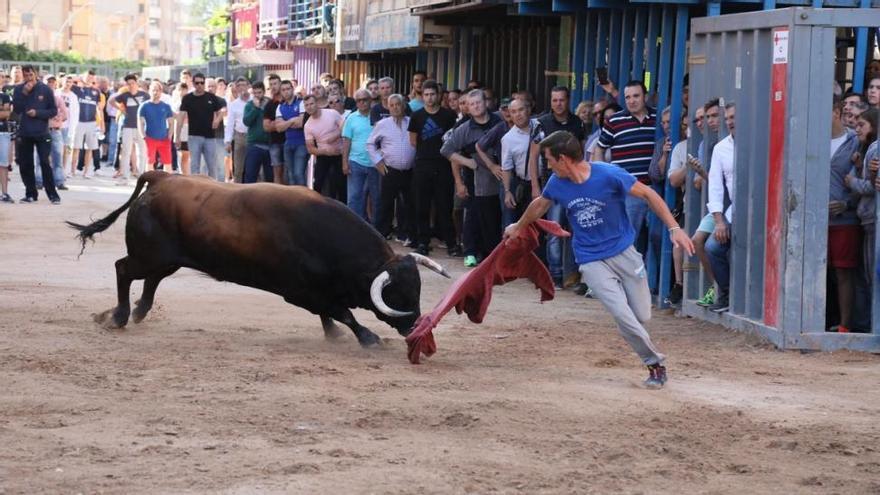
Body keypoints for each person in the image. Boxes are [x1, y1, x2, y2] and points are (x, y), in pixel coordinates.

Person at [504, 130, 693, 388]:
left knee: (641, 315)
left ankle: (635, 327)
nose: (547, 166)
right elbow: (540, 205)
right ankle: (654, 364)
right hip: (590, 258)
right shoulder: (556, 183)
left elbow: (649, 194)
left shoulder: (608, 174)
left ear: (563, 159)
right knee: (620, 313)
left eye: (549, 160)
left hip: (624, 253)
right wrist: (518, 226)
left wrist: (674, 228)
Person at [441, 89, 505, 267]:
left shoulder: (500, 121)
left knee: (495, 216)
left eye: (479, 102)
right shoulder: (464, 129)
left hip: (501, 177)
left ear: (486, 103)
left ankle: (490, 254)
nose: (476, 106)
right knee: (474, 214)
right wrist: (468, 163)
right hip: (476, 178)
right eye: (472, 104)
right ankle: (471, 251)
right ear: (467, 108)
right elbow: (446, 150)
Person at [531, 86, 586, 287]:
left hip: (574, 184)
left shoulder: (577, 122)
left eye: (561, 100)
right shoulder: (542, 123)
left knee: (574, 230)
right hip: (551, 184)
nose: (558, 104)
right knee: (553, 229)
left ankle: (571, 274)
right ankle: (554, 273)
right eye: (554, 100)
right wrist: (535, 185)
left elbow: (582, 153)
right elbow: (534, 155)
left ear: (568, 100)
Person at [593, 81, 657, 239]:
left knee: (657, 237)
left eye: (636, 96)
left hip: (654, 189)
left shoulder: (658, 117)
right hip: (629, 189)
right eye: (627, 97)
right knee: (629, 238)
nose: (631, 100)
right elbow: (599, 149)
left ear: (645, 97)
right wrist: (604, 177)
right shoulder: (614, 121)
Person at [408, 80, 460, 256]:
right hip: (422, 165)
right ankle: (423, 242)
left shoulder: (448, 116)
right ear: (422, 96)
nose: (430, 98)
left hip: (443, 165)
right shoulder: (416, 116)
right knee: (421, 206)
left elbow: (452, 141)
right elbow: (413, 141)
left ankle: (451, 243)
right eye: (426, 95)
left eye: (432, 94)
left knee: (444, 206)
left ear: (438, 95)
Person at [826, 100, 860, 333]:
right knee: (821, 271)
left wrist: (846, 204)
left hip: (845, 219)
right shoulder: (811, 138)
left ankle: (845, 325)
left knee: (844, 271)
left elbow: (863, 182)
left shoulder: (855, 142)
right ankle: (819, 319)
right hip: (815, 220)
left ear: (837, 113)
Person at [368, 94, 416, 243]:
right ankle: (382, 235)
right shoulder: (383, 124)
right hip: (390, 169)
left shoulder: (412, 122)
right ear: (388, 107)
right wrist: (378, 162)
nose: (395, 107)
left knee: (409, 204)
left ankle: (406, 235)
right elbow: (370, 144)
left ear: (403, 106)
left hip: (410, 171)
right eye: (392, 105)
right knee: (385, 204)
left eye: (398, 104)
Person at [704, 102, 737, 313]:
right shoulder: (721, 148)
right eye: (728, 118)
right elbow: (715, 187)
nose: (730, 121)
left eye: (734, 117)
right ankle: (726, 294)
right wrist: (718, 220)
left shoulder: (758, 142)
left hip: (760, 211)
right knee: (712, 247)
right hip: (733, 211)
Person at [12, 65, 60, 204]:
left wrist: (38, 113)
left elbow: (53, 111)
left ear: (36, 74)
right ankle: (30, 193)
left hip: (42, 133)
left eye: (30, 75)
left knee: (45, 162)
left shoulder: (45, 89)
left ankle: (53, 195)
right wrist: (24, 93)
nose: (28, 78)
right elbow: (17, 110)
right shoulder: (18, 89)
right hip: (25, 132)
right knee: (25, 164)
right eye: (25, 76)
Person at [342, 89, 379, 223]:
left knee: (376, 197)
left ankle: (376, 228)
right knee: (354, 197)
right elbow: (347, 141)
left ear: (371, 100)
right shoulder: (351, 118)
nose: (362, 103)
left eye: (365, 99)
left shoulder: (378, 116)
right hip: (355, 162)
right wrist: (344, 163)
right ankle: (355, 226)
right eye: (359, 100)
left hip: (376, 163)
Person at [499, 98, 538, 226]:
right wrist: (507, 191)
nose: (518, 114)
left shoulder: (541, 126)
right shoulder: (508, 139)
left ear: (528, 110)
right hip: (523, 184)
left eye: (521, 110)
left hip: (545, 182)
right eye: (514, 112)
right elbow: (506, 167)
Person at [177, 73, 223, 178]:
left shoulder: (211, 97)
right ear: (193, 84)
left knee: (212, 166)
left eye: (202, 82)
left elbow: (222, 112)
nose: (199, 85)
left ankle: (213, 188)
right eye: (197, 83)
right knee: (194, 166)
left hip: (210, 137)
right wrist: (177, 136)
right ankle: (195, 189)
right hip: (194, 136)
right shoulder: (187, 98)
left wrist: (217, 120)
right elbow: (181, 117)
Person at [303, 94, 345, 200]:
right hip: (323, 154)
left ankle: (343, 210)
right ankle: (318, 207)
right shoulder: (308, 125)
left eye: (311, 103)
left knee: (340, 184)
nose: (309, 107)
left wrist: (335, 136)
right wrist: (326, 152)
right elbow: (310, 149)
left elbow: (345, 129)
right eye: (306, 105)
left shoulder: (332, 113)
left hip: (340, 153)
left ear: (317, 103)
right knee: (318, 183)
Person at [112, 74, 149, 182]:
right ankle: (125, 175)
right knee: (126, 151)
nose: (131, 86)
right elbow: (111, 101)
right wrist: (121, 109)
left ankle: (141, 174)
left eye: (133, 83)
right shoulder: (124, 95)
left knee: (142, 151)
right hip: (127, 126)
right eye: (128, 84)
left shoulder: (145, 95)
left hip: (141, 126)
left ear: (137, 83)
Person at [274, 79, 308, 186]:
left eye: (288, 89)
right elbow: (278, 128)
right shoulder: (280, 106)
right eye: (283, 90)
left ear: (292, 89)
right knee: (290, 176)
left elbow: (301, 123)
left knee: (299, 174)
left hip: (302, 143)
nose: (286, 92)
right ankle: (294, 202)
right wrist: (293, 120)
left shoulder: (301, 102)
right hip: (288, 144)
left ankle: (304, 201)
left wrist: (286, 123)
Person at [69, 71, 103, 178]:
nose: (89, 79)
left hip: (92, 123)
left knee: (90, 148)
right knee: (76, 147)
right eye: (88, 77)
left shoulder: (96, 91)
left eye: (91, 77)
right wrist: (80, 79)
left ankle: (86, 171)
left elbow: (99, 108)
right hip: (79, 122)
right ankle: (72, 170)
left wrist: (101, 124)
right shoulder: (77, 89)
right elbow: (66, 79)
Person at [137, 81, 176, 174]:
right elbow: (140, 122)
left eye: (158, 90)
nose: (155, 92)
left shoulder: (166, 106)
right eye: (153, 90)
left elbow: (171, 122)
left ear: (161, 92)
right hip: (150, 138)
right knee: (150, 161)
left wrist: (170, 135)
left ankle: (168, 183)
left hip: (164, 138)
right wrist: (143, 136)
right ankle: (149, 182)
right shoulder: (144, 106)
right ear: (149, 91)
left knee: (167, 162)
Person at [242, 81, 273, 184]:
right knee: (250, 175)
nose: (257, 95)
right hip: (254, 144)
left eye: (259, 92)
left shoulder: (270, 103)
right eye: (254, 93)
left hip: (269, 144)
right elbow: (246, 121)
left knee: (270, 176)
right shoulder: (249, 105)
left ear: (264, 92)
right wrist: (255, 108)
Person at [225, 77, 250, 183]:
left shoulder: (254, 101)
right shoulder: (233, 104)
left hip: (252, 136)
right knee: (238, 168)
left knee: (252, 167)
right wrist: (227, 141)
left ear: (248, 86)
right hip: (239, 136)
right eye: (239, 85)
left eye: (244, 85)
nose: (241, 87)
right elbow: (230, 123)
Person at [263, 74, 286, 183]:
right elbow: (266, 127)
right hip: (274, 142)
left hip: (289, 141)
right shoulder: (269, 105)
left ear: (280, 84)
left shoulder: (288, 101)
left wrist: (275, 123)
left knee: (289, 172)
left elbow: (297, 122)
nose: (273, 86)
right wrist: (284, 124)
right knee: (277, 172)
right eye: (271, 84)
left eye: (275, 83)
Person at [207, 78, 228, 181]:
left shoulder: (221, 100)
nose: (211, 88)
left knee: (220, 164)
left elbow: (224, 111)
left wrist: (217, 119)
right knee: (204, 165)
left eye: (213, 86)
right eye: (209, 86)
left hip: (218, 137)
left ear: (216, 88)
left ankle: (221, 186)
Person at [0, 85, 12, 202]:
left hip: (3, 133)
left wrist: (4, 111)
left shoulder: (5, 96)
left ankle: (4, 194)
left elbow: (6, 114)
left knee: (3, 164)